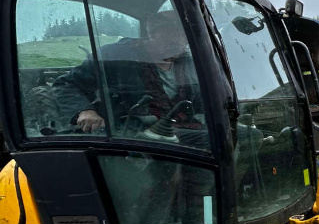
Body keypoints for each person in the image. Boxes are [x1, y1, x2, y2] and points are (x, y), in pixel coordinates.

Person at [52, 10, 205, 145]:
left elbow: (202, 100)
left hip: (180, 127)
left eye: (183, 36)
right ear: (152, 33)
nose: (179, 42)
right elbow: (65, 84)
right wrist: (84, 110)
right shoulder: (115, 56)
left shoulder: (189, 64)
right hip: (133, 133)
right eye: (171, 34)